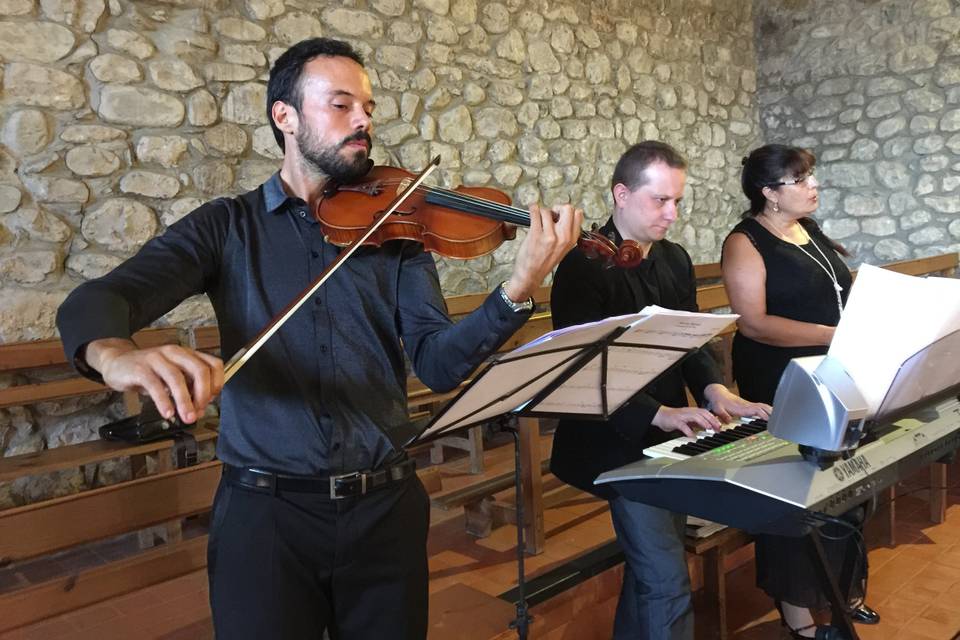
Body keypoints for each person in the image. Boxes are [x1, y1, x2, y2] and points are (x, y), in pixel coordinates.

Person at [56, 38, 582, 640]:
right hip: (266, 518)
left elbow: (437, 364)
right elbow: (100, 299)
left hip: (385, 508)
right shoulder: (228, 227)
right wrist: (114, 353)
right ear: (286, 117)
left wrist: (519, 286)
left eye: (368, 106)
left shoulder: (397, 228)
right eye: (340, 105)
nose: (363, 120)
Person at [549, 141, 770, 640]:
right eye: (660, 200)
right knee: (667, 579)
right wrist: (657, 414)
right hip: (614, 440)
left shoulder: (673, 259)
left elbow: (689, 342)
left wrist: (716, 389)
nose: (671, 213)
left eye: (677, 202)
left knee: (655, 570)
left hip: (668, 434)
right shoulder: (583, 268)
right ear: (621, 194)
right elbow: (585, 371)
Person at [721, 144, 877, 639]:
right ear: (769, 193)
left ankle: (842, 591)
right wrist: (838, 335)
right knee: (797, 496)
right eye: (801, 179)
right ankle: (797, 612)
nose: (814, 186)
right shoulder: (745, 241)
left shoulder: (806, 230)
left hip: (833, 374)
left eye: (811, 175)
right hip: (781, 380)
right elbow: (754, 324)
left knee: (848, 484)